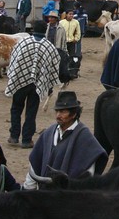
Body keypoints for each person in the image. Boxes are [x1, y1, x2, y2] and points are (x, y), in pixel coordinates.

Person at [23, 91, 107, 189]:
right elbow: (34, 166)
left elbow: (87, 176)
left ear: (74, 114)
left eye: (63, 112)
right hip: (44, 194)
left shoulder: (85, 138)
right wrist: (28, 190)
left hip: (70, 195)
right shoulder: (48, 133)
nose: (58, 115)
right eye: (57, 111)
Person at [6, 20, 61, 149]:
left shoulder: (23, 43)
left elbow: (14, 59)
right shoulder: (49, 46)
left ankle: (14, 136)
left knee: (16, 108)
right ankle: (27, 139)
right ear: (45, 30)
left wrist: (13, 76)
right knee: (31, 111)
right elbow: (54, 66)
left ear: (33, 29)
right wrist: (49, 85)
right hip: (37, 84)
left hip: (20, 81)